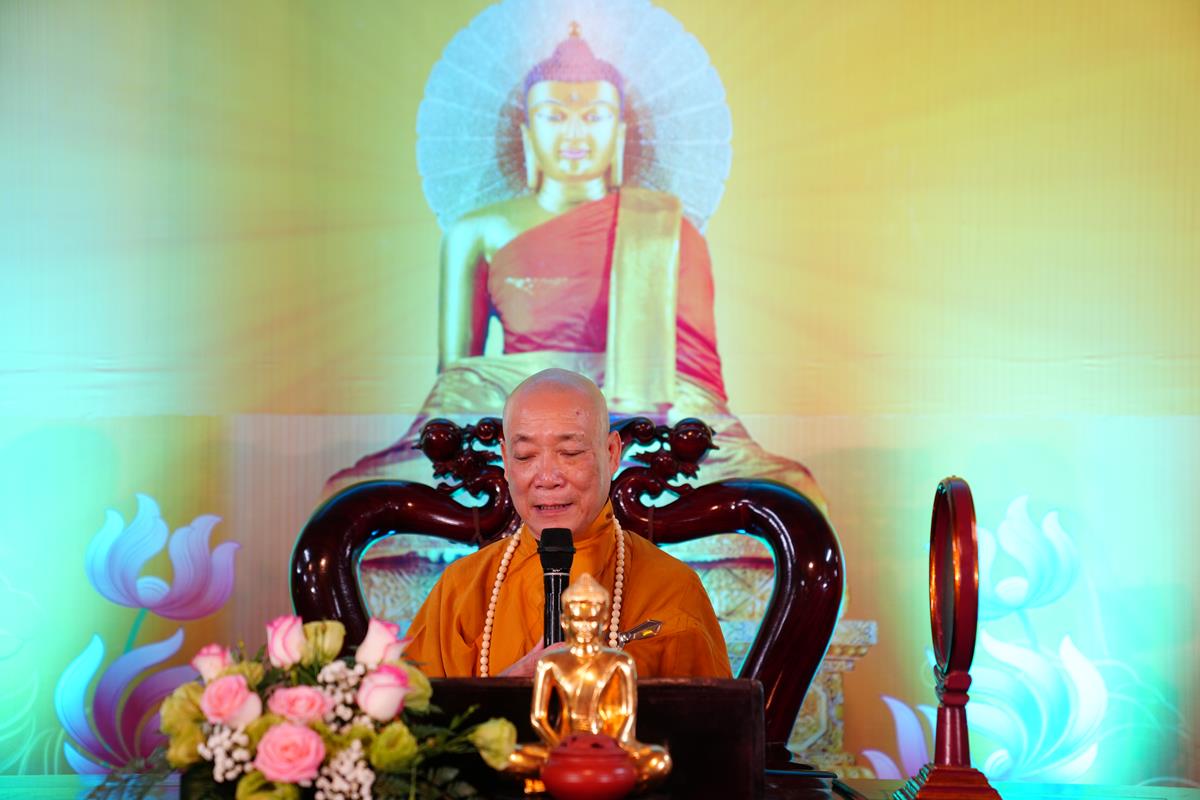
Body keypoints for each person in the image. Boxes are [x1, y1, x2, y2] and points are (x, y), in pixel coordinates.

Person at [326, 28, 827, 515]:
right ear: (527, 131)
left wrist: (626, 415)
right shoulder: (475, 232)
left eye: (594, 116)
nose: (574, 133)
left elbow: (694, 381)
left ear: (620, 132)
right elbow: (459, 381)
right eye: (554, 115)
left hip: (640, 419)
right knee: (352, 495)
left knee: (790, 493)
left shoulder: (664, 229)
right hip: (510, 413)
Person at [402, 368, 731, 679]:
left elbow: (711, 718)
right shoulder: (459, 591)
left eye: (571, 452)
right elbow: (415, 718)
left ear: (612, 453)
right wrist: (506, 693)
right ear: (505, 460)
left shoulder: (673, 589)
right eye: (525, 456)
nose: (547, 478)